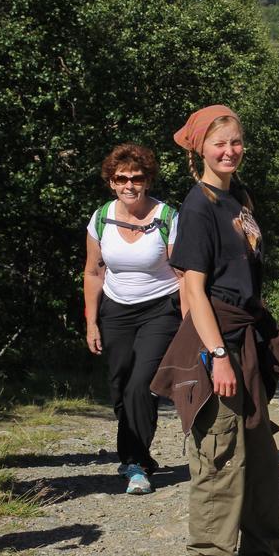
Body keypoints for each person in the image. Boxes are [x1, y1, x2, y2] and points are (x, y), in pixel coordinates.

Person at [150, 105, 279, 556]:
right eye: (219, 143)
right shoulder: (197, 208)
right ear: (198, 149)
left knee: (258, 450)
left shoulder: (238, 198)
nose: (230, 151)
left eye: (236, 141)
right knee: (218, 452)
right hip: (214, 339)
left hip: (245, 336)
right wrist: (217, 355)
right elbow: (192, 290)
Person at [83, 143, 184, 495]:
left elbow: (184, 275)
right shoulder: (100, 218)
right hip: (116, 310)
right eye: (120, 178)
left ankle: (137, 463)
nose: (129, 185)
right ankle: (134, 455)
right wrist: (91, 321)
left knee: (142, 383)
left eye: (136, 178)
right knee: (120, 384)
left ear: (148, 179)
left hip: (160, 309)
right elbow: (94, 272)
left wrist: (190, 324)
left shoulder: (167, 217)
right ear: (111, 182)